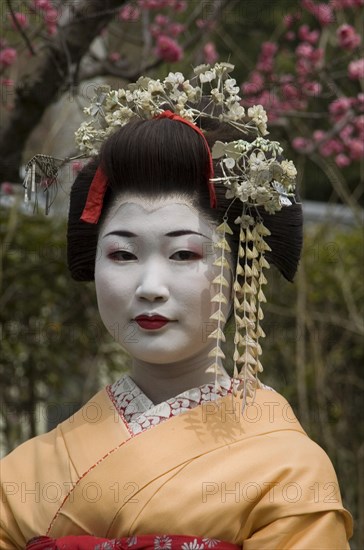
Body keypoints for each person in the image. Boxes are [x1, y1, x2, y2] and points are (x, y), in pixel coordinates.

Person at [0, 64, 352, 549]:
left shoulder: (289, 474)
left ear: (241, 265)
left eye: (184, 254)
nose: (149, 286)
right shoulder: (24, 474)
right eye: (122, 254)